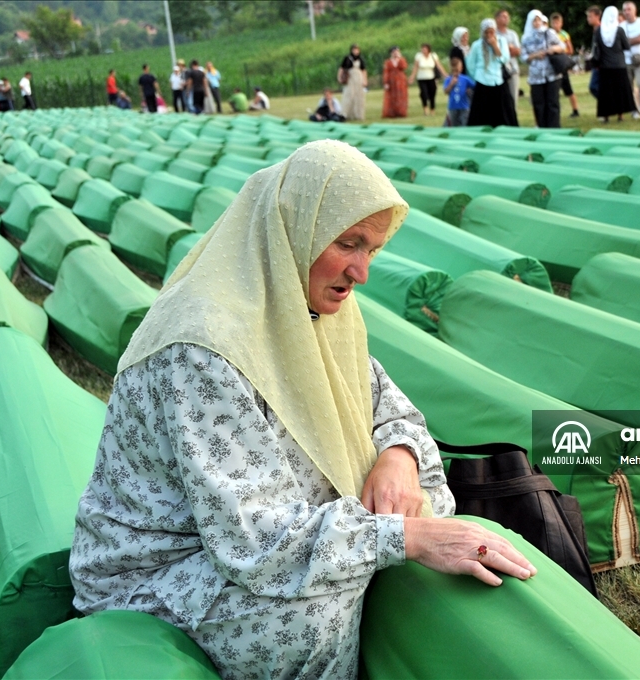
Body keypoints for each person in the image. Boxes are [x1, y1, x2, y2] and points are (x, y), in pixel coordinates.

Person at [69, 140, 536, 680]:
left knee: (413, 494)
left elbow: (389, 408)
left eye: (373, 250)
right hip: (167, 567)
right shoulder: (201, 348)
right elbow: (254, 542)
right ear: (294, 227)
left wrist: (400, 457)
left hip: (269, 528)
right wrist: (409, 538)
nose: (361, 272)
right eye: (347, 243)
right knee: (312, 611)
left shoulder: (309, 307)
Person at [466, 18, 519, 127]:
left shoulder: (501, 41)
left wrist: (495, 46)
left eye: (492, 32)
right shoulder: (477, 45)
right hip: (482, 79)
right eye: (487, 32)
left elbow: (504, 59)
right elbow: (471, 64)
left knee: (505, 110)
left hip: (498, 79)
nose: (489, 35)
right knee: (480, 112)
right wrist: (477, 76)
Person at [521, 10, 565, 128]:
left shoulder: (549, 33)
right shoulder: (526, 38)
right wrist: (535, 55)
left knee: (553, 103)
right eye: (534, 20)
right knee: (539, 104)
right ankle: (542, 127)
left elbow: (562, 46)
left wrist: (553, 49)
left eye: (538, 20)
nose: (536, 23)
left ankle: (554, 127)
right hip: (536, 76)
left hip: (551, 73)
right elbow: (523, 57)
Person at [591, 6, 635, 123]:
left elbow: (597, 48)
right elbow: (627, 46)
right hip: (619, 65)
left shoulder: (599, 31)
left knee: (606, 93)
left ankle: (606, 116)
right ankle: (620, 116)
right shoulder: (619, 30)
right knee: (619, 92)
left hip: (605, 66)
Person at [549, 13, 580, 118]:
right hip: (553, 65)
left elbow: (570, 50)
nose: (555, 25)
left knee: (568, 89)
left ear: (561, 23)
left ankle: (575, 109)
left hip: (561, 65)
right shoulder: (549, 34)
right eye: (553, 23)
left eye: (557, 22)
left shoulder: (564, 35)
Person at [410, 43, 446, 117]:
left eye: (425, 49)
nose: (423, 50)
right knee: (424, 93)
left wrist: (445, 74)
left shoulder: (433, 56)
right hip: (421, 78)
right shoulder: (418, 56)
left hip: (431, 78)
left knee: (432, 94)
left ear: (428, 49)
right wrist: (412, 77)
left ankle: (432, 110)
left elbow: (438, 65)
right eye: (422, 49)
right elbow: (415, 67)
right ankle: (425, 109)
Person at [495, 9, 522, 107]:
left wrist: (504, 50)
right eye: (503, 16)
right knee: (499, 99)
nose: (506, 19)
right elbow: (495, 53)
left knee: (513, 97)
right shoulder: (494, 34)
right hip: (498, 71)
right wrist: (508, 48)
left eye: (507, 17)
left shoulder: (512, 34)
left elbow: (518, 51)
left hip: (512, 69)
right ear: (497, 19)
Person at [338, 45, 367, 122]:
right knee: (349, 95)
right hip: (350, 78)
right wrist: (339, 77)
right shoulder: (347, 58)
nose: (356, 51)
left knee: (359, 96)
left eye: (357, 50)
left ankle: (358, 114)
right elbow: (341, 68)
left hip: (359, 78)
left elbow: (363, 70)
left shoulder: (360, 59)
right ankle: (345, 113)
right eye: (354, 50)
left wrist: (365, 80)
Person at [443, 56, 475, 127]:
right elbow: (446, 91)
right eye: (453, 71)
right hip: (452, 107)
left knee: (465, 123)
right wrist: (451, 84)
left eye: (457, 70)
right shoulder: (448, 79)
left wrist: (469, 90)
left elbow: (474, 87)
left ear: (461, 68)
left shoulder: (465, 79)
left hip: (464, 107)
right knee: (453, 124)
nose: (455, 73)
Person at [382, 47, 409, 119]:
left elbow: (404, 67)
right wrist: (386, 82)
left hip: (400, 80)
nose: (395, 53)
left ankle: (401, 111)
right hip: (392, 80)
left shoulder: (401, 60)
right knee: (392, 96)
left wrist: (400, 58)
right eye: (394, 52)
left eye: (397, 52)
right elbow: (386, 72)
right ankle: (391, 112)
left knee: (401, 95)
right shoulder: (388, 62)